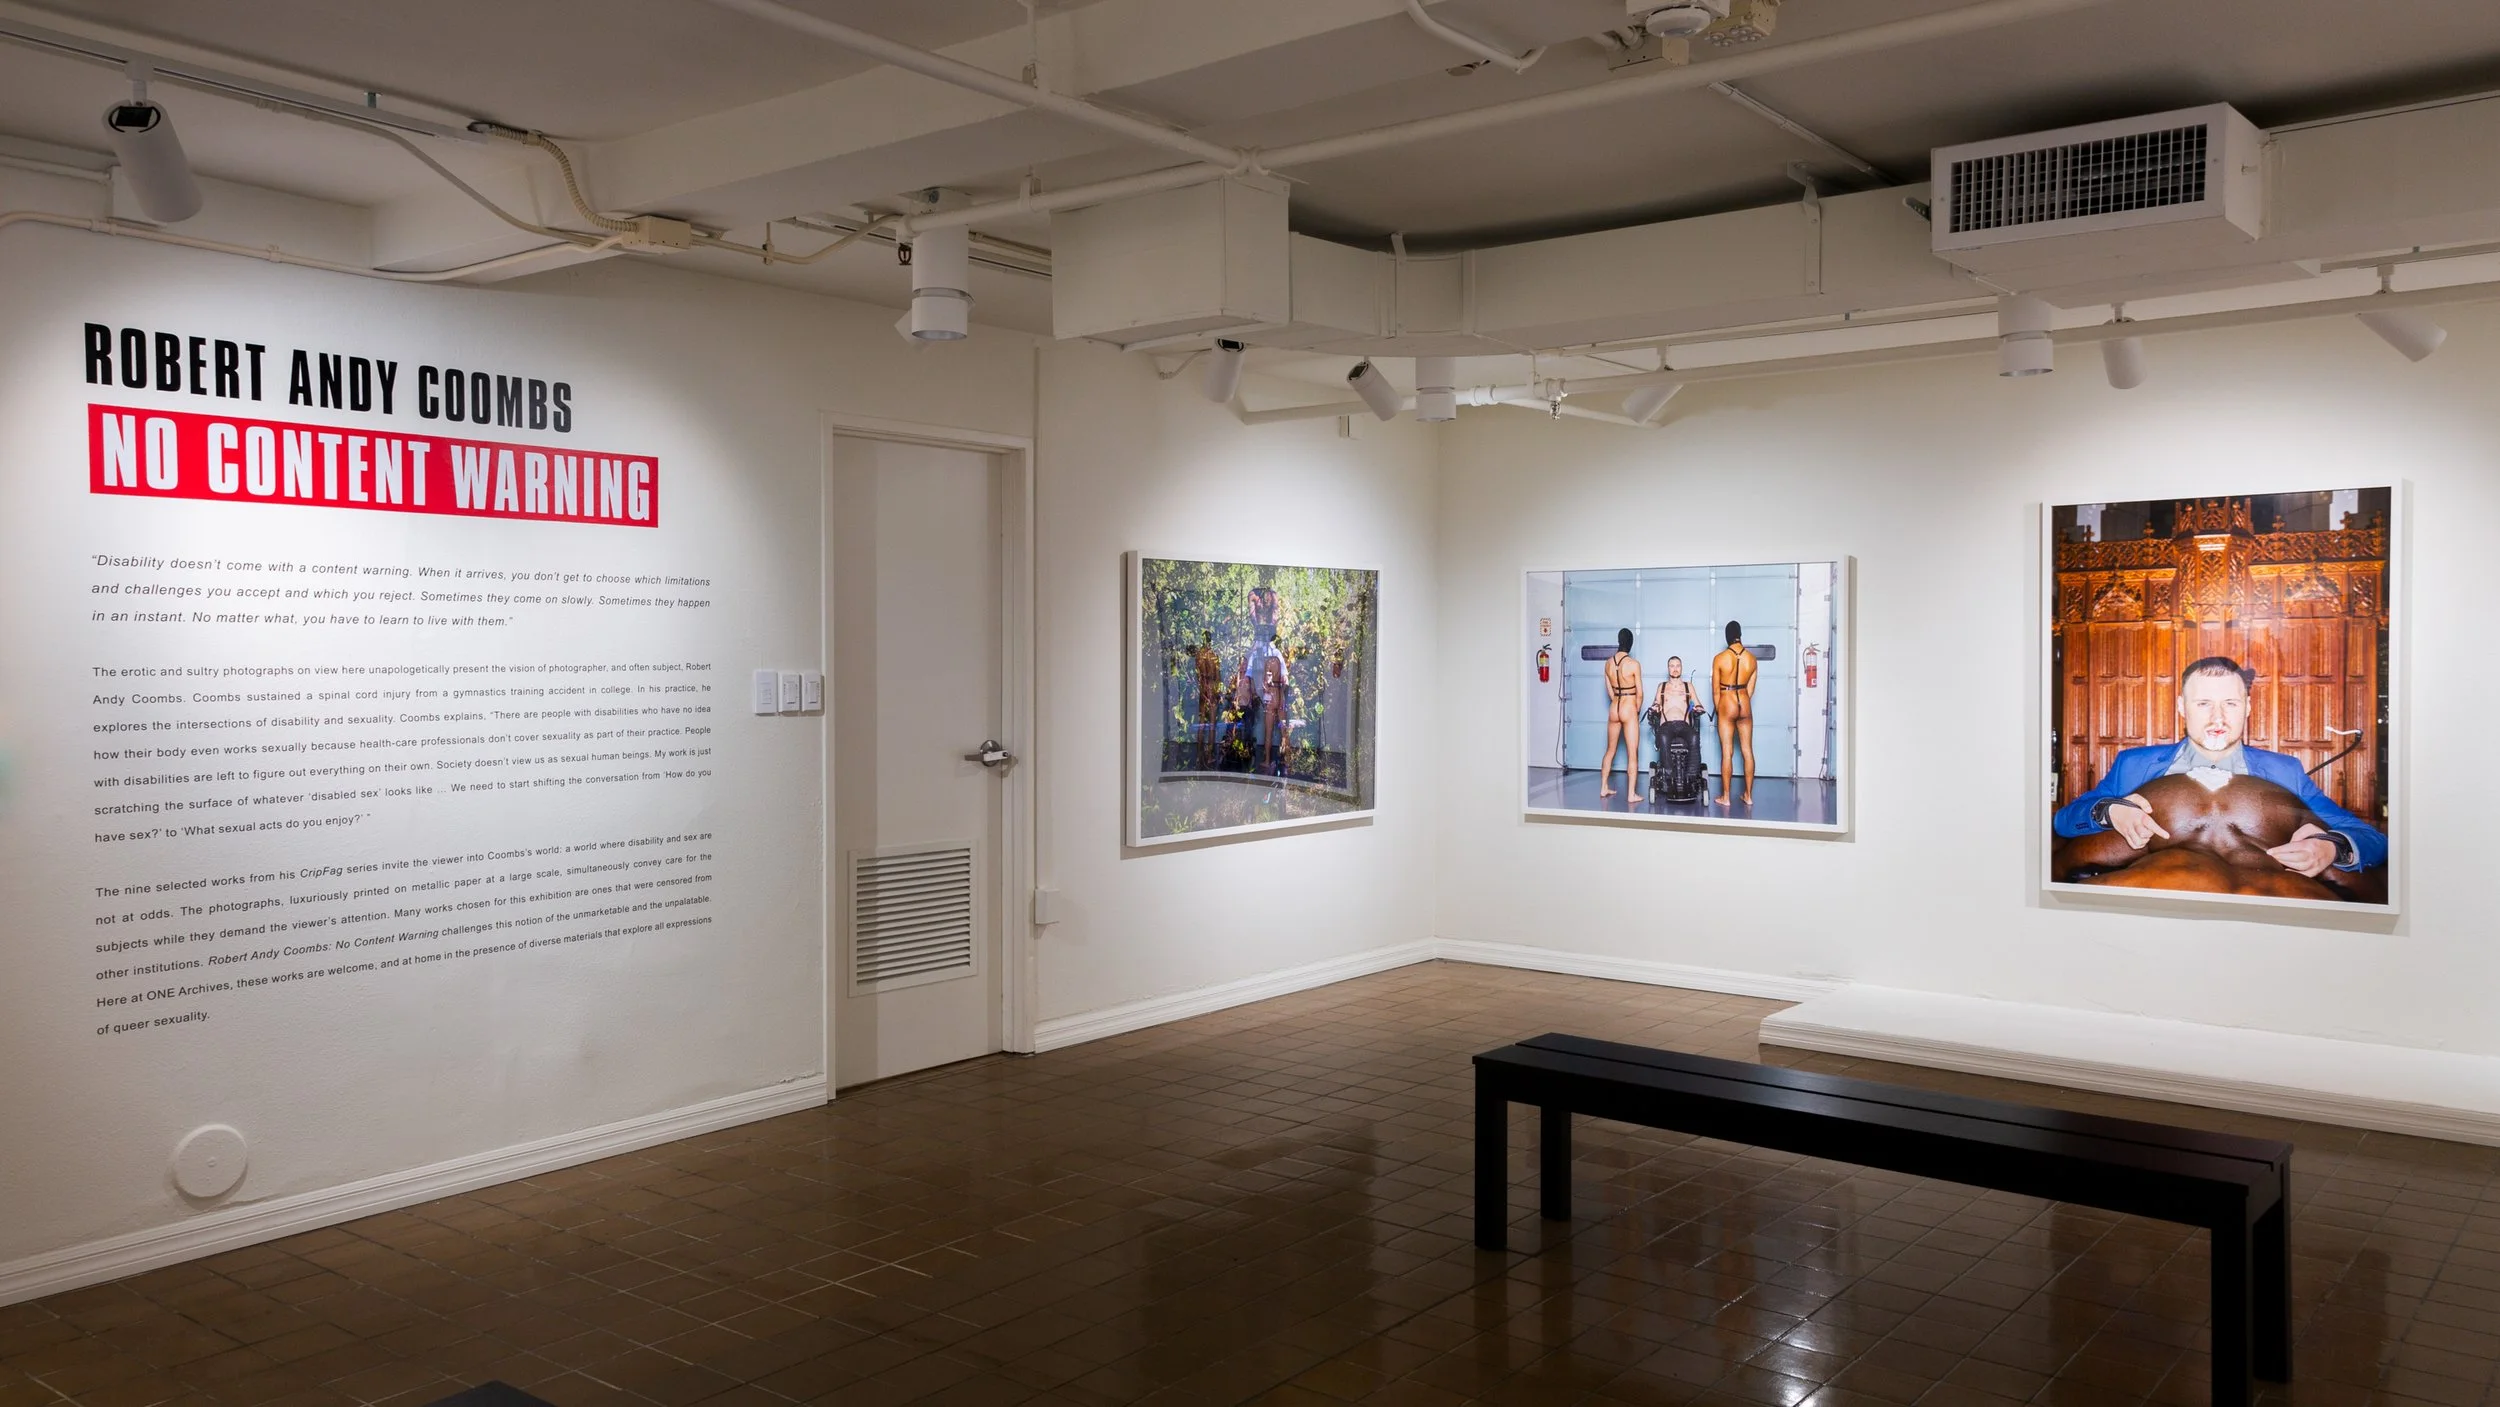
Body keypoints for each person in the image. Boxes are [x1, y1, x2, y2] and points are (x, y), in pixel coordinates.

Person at [2053, 656, 2386, 881]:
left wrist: (2331, 846)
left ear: (2247, 707)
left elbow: (2373, 839)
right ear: (2182, 707)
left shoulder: (2286, 771)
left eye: (2230, 703)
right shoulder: (2134, 764)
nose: (2218, 718)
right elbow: (2065, 821)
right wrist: (2108, 811)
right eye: (2203, 704)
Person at [1711, 621, 1759, 806]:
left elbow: (1716, 691)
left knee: (1727, 751)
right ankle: (1748, 796)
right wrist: (1742, 702)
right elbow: (1750, 690)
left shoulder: (1719, 658)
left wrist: (1721, 710)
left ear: (1727, 636)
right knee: (1747, 750)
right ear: (1740, 635)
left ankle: (1726, 797)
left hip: (1727, 702)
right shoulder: (1752, 659)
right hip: (1744, 703)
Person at [1598, 628, 1642, 800]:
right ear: (1630, 643)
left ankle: (1603, 787)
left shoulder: (1608, 663)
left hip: (1614, 707)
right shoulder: (1633, 664)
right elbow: (1640, 694)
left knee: (1610, 750)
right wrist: (1635, 711)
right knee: (1632, 753)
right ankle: (1631, 794)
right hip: (1628, 706)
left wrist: (1617, 700)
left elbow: (1610, 692)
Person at [1192, 630, 1224, 768]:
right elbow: (1217, 676)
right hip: (1211, 688)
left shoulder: (1199, 655)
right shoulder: (1213, 655)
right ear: (1210, 640)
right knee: (1211, 723)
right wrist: (1218, 692)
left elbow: (1197, 675)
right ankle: (1209, 755)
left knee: (1201, 722)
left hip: (1202, 689)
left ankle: (1199, 754)